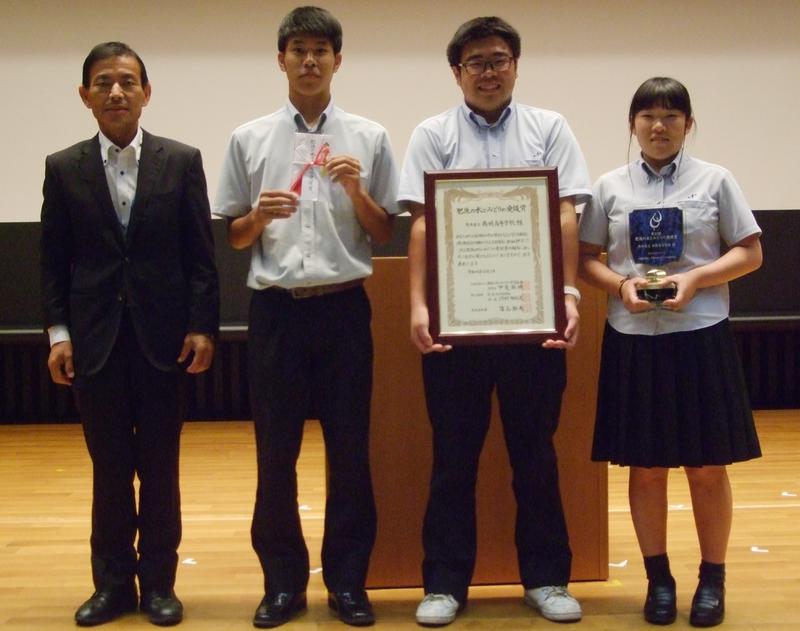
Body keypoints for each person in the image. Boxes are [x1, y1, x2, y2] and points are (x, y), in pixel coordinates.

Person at [398, 16, 591, 626]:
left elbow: (565, 215)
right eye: (476, 62)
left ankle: (547, 579)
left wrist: (567, 294)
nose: (489, 71)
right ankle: (443, 585)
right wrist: (420, 305)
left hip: (533, 325)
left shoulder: (549, 128)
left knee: (535, 455)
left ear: (516, 65)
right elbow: (422, 224)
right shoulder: (432, 134)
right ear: (456, 72)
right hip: (455, 329)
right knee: (452, 459)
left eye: (499, 59)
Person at [213, 6, 399, 628]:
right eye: (299, 50)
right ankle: (282, 584)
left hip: (344, 310)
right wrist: (258, 217)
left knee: (350, 452)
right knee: (275, 454)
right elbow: (234, 236)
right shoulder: (249, 138)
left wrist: (356, 191)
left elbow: (384, 231)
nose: (310, 60)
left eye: (321, 50)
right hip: (277, 313)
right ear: (281, 60)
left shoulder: (369, 136)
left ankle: (348, 583)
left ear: (338, 60)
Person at [40, 42, 219, 627]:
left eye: (127, 81)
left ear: (146, 92)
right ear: (85, 95)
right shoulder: (62, 167)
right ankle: (113, 585)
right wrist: (58, 334)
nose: (115, 91)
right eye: (103, 82)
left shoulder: (181, 161)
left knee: (161, 468)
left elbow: (200, 257)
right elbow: (53, 262)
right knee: (110, 469)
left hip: (164, 341)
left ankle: (160, 585)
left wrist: (201, 326)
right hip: (94, 343)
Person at [578, 77, 762, 627]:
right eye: (648, 116)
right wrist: (620, 286)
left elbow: (750, 252)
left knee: (706, 467)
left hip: (700, 334)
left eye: (671, 116)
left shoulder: (716, 180)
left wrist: (697, 279)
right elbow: (585, 260)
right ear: (632, 124)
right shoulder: (609, 187)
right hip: (634, 338)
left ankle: (712, 578)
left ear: (688, 124)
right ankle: (658, 580)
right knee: (646, 468)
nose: (659, 126)